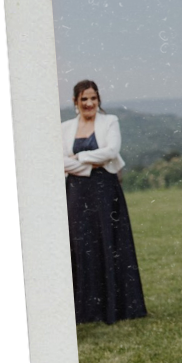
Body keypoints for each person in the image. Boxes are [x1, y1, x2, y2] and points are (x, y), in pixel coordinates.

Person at [62, 80, 147, 324]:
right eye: (84, 99)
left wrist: (78, 157)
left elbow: (111, 151)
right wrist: (90, 164)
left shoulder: (110, 122)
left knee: (110, 242)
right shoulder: (64, 128)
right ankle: (87, 310)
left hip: (105, 192)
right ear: (75, 102)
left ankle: (117, 307)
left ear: (99, 100)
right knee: (82, 244)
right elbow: (58, 160)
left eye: (93, 98)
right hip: (76, 192)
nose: (89, 103)